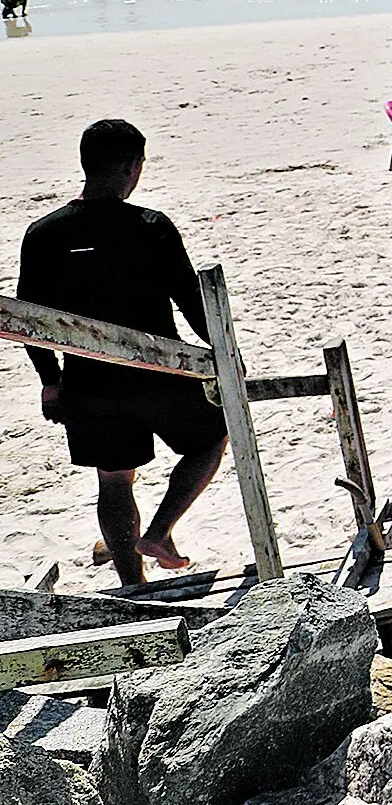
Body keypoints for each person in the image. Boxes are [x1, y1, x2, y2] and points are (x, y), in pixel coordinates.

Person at [17, 120, 227, 586]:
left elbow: (31, 320)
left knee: (113, 479)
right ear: (132, 167)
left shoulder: (44, 234)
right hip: (159, 374)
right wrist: (221, 355)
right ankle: (158, 532)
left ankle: (133, 583)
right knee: (213, 437)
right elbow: (191, 299)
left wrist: (50, 381)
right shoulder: (150, 226)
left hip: (89, 382)